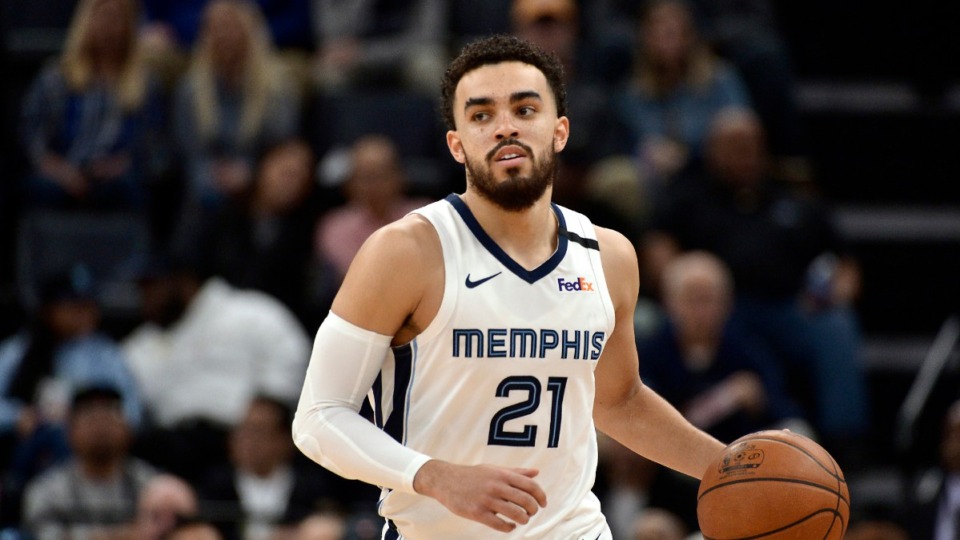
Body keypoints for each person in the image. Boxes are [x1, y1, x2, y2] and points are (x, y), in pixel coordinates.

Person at [292, 34, 725, 538]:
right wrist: (434, 476)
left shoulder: (609, 256)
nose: (504, 127)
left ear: (559, 130)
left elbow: (618, 401)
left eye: (524, 109)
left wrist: (735, 465)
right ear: (457, 144)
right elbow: (318, 417)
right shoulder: (407, 252)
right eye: (481, 116)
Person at [643, 106, 869, 455]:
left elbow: (845, 263)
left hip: (789, 308)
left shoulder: (792, 198)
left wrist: (835, 291)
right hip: (721, 307)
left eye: (750, 146)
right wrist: (684, 286)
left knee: (835, 327)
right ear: (711, 150)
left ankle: (845, 442)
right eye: (732, 146)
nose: (743, 155)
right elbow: (658, 248)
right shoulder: (690, 196)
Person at [122, 255, 310, 483]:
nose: (147, 298)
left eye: (154, 287)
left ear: (184, 282)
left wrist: (262, 412)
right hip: (175, 450)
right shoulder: (139, 348)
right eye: (142, 289)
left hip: (241, 438)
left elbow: (291, 359)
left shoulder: (250, 313)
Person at [0, 265, 143, 488]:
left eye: (88, 305)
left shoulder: (106, 354)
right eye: (74, 306)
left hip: (85, 448)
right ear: (49, 310)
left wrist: (95, 423)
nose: (84, 313)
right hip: (27, 446)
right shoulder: (18, 351)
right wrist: (17, 416)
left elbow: (131, 411)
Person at [19, 0, 166, 211]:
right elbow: (32, 138)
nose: (109, 26)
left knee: (130, 188)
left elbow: (157, 148)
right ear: (85, 22)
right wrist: (61, 171)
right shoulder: (56, 77)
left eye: (117, 18)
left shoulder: (146, 85)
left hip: (120, 178)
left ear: (129, 26)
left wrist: (124, 165)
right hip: (62, 172)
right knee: (39, 188)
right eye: (103, 16)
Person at [172, 0, 301, 210]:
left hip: (261, 184)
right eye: (217, 29)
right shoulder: (190, 90)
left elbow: (283, 143)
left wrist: (250, 171)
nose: (224, 36)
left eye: (231, 27)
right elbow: (189, 151)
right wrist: (212, 176)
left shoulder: (277, 89)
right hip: (207, 188)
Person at [613, 0, 751, 194]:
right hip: (655, 180)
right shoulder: (632, 93)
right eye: (658, 33)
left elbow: (740, 128)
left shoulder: (720, 80)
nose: (666, 41)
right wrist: (646, 153)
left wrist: (691, 155)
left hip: (712, 174)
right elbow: (624, 142)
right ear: (644, 39)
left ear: (690, 36)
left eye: (672, 33)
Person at [198, 396, 376, 540]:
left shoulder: (310, 483)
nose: (248, 442)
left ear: (284, 440)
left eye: (259, 432)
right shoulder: (215, 483)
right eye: (243, 431)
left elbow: (334, 516)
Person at [20, 385, 157, 540]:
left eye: (109, 416)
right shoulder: (46, 491)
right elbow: (45, 535)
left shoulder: (152, 485)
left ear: (128, 429)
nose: (100, 426)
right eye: (89, 418)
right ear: (69, 432)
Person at [314, 135, 430, 283]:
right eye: (365, 177)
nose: (374, 185)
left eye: (381, 175)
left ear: (400, 177)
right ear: (349, 184)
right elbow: (358, 280)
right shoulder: (335, 227)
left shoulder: (426, 216)